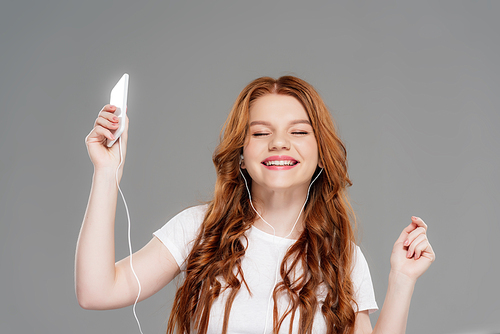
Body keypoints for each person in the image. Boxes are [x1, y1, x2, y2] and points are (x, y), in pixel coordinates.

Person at [75, 76, 435, 334]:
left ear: (321, 153)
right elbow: (96, 291)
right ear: (242, 156)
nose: (279, 143)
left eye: (298, 132)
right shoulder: (198, 228)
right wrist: (106, 173)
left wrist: (401, 280)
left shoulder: (343, 256)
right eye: (261, 133)